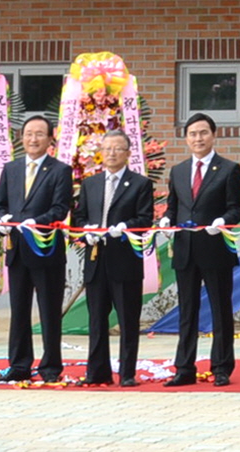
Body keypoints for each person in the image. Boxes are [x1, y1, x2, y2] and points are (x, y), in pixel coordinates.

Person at [161, 112, 240, 387]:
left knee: (220, 310)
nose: (198, 138)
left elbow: (235, 208)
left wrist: (223, 222)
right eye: (193, 134)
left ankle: (221, 367)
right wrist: (165, 219)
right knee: (187, 311)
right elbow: (173, 206)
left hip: (216, 248)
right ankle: (184, 368)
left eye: (203, 132)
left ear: (213, 135)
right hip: (186, 250)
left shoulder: (229, 168)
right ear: (186, 139)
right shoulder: (179, 170)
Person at [0, 113, 71, 383]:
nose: (33, 139)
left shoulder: (60, 170)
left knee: (49, 311)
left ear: (50, 139)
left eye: (39, 134)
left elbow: (61, 208)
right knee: (19, 310)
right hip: (17, 250)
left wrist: (36, 222)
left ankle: (51, 367)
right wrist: (1, 220)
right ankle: (19, 365)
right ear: (21, 138)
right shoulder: (11, 169)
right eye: (28, 133)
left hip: (46, 249)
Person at [73, 130, 154, 386]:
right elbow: (79, 217)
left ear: (128, 153)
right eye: (107, 148)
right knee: (96, 319)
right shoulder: (91, 184)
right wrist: (86, 231)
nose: (111, 153)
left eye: (117, 149)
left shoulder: (140, 184)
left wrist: (124, 227)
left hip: (125, 261)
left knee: (127, 320)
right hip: (96, 260)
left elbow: (144, 219)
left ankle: (127, 373)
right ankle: (97, 372)